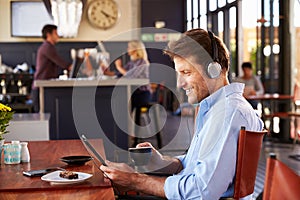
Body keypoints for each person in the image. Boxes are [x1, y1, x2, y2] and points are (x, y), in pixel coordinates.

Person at [100, 29, 264, 199]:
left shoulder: (227, 114)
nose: (179, 84)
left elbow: (202, 191)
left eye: (186, 73)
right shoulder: (218, 109)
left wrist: (135, 180)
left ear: (214, 69)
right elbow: (196, 165)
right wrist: (162, 162)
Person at [101, 40, 151, 146]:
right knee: (121, 101)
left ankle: (125, 134)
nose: (127, 50)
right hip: (134, 94)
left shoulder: (142, 62)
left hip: (142, 94)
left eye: (129, 47)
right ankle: (123, 133)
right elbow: (119, 74)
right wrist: (107, 72)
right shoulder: (132, 63)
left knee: (122, 103)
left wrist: (119, 67)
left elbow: (130, 76)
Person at [31, 24, 71, 113]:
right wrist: (73, 68)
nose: (58, 36)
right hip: (40, 87)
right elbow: (62, 63)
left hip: (42, 85)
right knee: (41, 117)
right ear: (49, 35)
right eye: (55, 33)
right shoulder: (47, 47)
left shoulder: (48, 47)